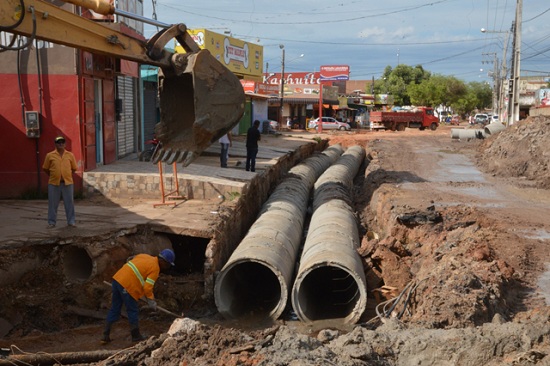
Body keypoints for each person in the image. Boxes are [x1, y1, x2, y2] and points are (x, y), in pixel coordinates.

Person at [101, 249, 176, 344]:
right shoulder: (155, 268)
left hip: (117, 280)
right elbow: (148, 288)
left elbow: (131, 259)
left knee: (114, 308)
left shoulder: (145, 256)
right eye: (168, 264)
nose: (167, 267)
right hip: (128, 286)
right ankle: (136, 336)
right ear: (163, 261)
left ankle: (105, 335)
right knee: (132, 310)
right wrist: (151, 301)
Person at [42, 135, 78, 228]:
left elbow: (74, 168)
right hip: (54, 183)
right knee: (53, 204)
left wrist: (66, 175)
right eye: (59, 142)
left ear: (65, 144)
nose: (61, 144)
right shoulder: (50, 155)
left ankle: (71, 221)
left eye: (62, 142)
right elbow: (45, 168)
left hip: (67, 183)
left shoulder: (70, 155)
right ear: (55, 144)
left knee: (69, 203)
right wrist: (54, 175)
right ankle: (51, 222)